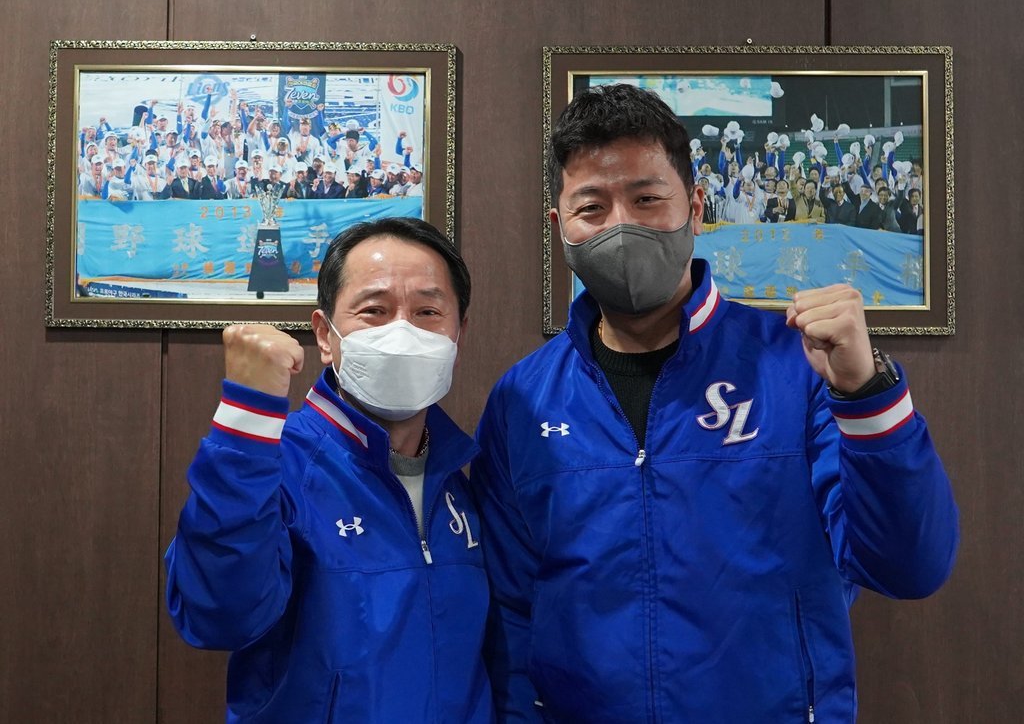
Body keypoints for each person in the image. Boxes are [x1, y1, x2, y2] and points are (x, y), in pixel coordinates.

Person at [472, 83, 958, 722]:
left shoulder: (796, 367)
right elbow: (511, 609)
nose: (621, 227)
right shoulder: (523, 398)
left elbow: (910, 567)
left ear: (696, 207)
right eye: (592, 207)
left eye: (648, 199)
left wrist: (867, 394)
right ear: (558, 224)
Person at [165, 217, 492, 723]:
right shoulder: (274, 464)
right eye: (374, 311)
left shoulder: (461, 477)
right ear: (325, 335)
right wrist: (246, 416)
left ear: (458, 333)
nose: (401, 331)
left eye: (428, 311)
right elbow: (218, 616)